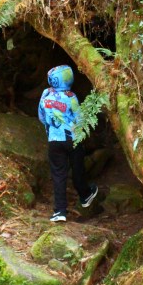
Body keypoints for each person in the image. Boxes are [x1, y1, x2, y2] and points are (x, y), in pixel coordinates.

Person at [38, 65, 98, 222]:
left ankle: (60, 211)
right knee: (78, 168)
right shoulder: (71, 97)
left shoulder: (46, 95)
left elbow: (42, 117)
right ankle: (85, 195)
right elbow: (80, 118)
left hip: (54, 141)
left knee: (58, 174)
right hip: (73, 139)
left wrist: (53, 128)